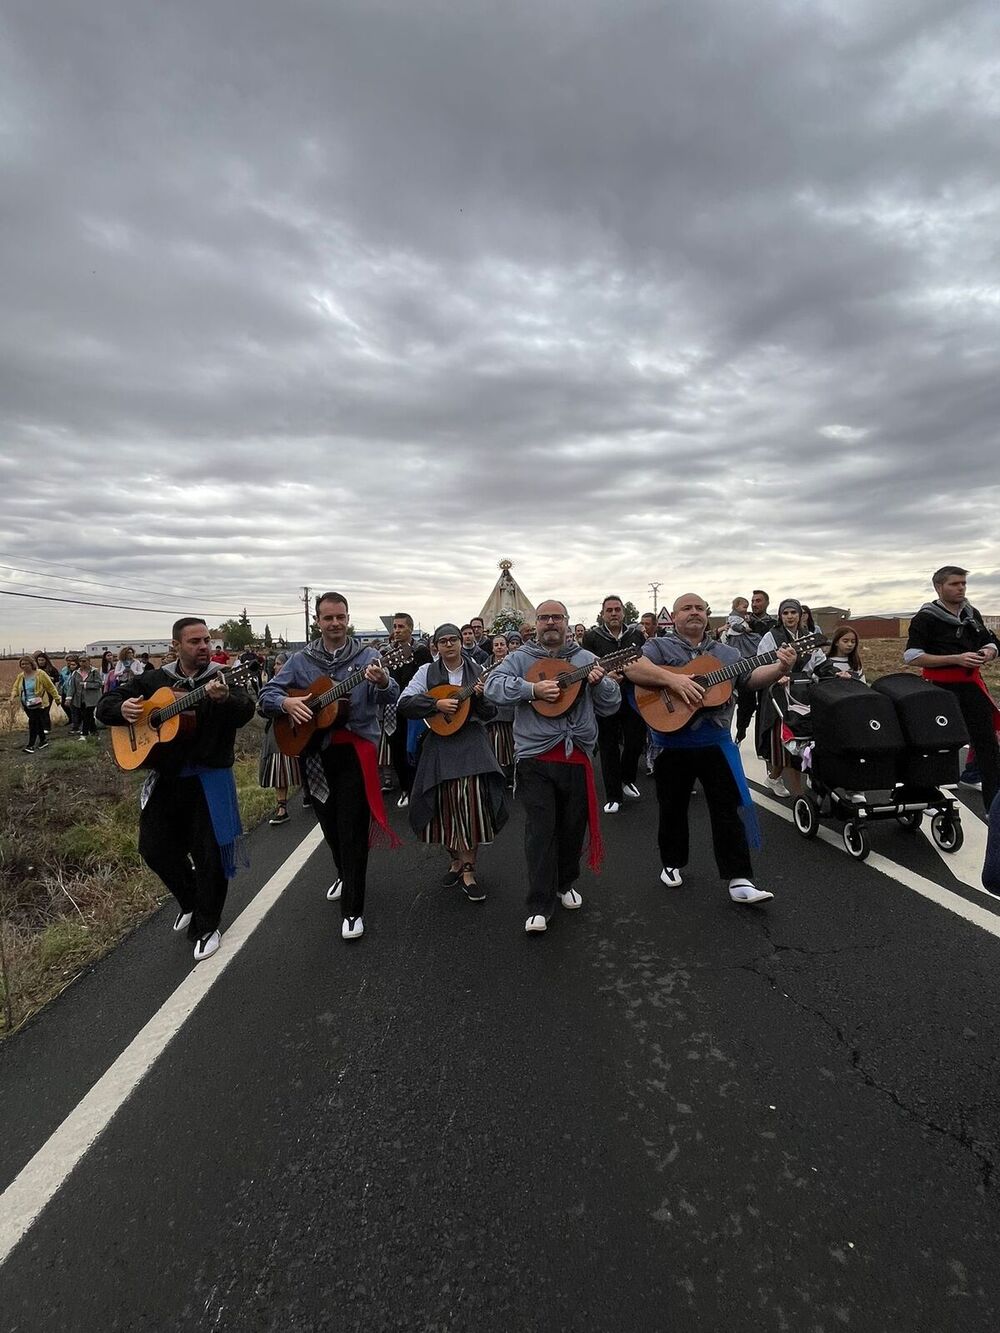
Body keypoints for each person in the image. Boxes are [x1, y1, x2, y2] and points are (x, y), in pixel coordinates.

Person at [96, 618, 255, 962]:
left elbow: (245, 710)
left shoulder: (221, 677)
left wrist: (225, 699)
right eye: (195, 641)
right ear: (176, 645)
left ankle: (207, 925)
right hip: (166, 779)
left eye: (207, 640)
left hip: (209, 777)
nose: (204, 647)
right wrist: (121, 709)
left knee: (209, 855)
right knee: (154, 848)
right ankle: (190, 899)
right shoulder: (155, 679)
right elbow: (105, 705)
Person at [625, 592, 798, 905]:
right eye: (686, 608)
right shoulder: (658, 647)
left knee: (726, 810)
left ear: (707, 615)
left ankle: (740, 878)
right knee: (672, 808)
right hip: (672, 743)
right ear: (674, 617)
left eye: (699, 608)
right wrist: (673, 681)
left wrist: (779, 668)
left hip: (714, 741)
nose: (694, 613)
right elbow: (634, 667)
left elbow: (750, 679)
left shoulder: (726, 652)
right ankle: (672, 863)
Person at [258, 590, 399, 941]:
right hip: (315, 753)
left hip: (354, 750)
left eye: (340, 617)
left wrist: (383, 682)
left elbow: (391, 694)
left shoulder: (369, 656)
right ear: (318, 621)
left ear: (348, 618)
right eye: (328, 618)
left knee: (352, 827)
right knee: (330, 824)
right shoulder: (300, 660)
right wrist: (287, 702)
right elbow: (266, 696)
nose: (335, 623)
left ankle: (353, 910)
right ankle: (344, 872)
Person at [485, 599, 620, 933]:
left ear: (566, 622)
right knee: (540, 830)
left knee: (573, 827)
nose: (549, 623)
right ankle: (539, 903)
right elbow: (491, 687)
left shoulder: (587, 660)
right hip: (535, 756)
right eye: (543, 617)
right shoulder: (519, 658)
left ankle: (566, 882)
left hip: (576, 755)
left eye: (556, 617)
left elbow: (611, 705)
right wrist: (531, 689)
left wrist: (599, 683)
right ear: (536, 624)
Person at [397, 624, 509, 900]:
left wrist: (480, 698)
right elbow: (404, 703)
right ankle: (455, 860)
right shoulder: (426, 673)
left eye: (453, 640)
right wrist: (435, 705)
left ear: (461, 642)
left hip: (472, 743)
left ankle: (469, 869)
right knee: (441, 805)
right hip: (439, 744)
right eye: (443, 641)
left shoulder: (479, 670)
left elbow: (490, 712)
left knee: (471, 805)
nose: (449, 645)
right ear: (436, 646)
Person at [904, 566, 1000, 815]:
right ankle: (923, 793)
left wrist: (988, 652)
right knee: (934, 744)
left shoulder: (971, 613)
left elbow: (989, 641)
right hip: (939, 689)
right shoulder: (925, 617)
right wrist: (956, 658)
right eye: (955, 584)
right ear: (939, 587)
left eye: (963, 584)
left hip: (971, 687)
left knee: (988, 745)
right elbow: (912, 656)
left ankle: (993, 807)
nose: (961, 588)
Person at [583, 595, 646, 813]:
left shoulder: (636, 634)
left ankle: (627, 778)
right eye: (609, 610)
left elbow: (644, 663)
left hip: (633, 694)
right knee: (608, 745)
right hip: (605, 698)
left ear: (623, 612)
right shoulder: (592, 637)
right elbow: (588, 664)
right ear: (602, 614)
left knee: (636, 741)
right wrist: (607, 676)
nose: (613, 613)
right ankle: (613, 795)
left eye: (617, 609)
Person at [755, 599, 821, 796]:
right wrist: (777, 672)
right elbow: (761, 665)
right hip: (779, 694)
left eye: (793, 612)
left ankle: (777, 777)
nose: (790, 616)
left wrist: (835, 673)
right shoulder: (770, 637)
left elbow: (820, 664)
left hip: (803, 694)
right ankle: (798, 793)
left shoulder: (809, 637)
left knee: (805, 738)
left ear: (801, 615)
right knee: (784, 741)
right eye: (786, 613)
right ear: (780, 616)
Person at [380, 612, 433, 808]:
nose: (397, 631)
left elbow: (428, 678)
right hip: (392, 708)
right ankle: (405, 789)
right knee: (396, 748)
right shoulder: (386, 653)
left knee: (415, 749)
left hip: (414, 707)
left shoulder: (420, 651)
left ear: (410, 628)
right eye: (394, 627)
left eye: (401, 627)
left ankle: (421, 789)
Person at [257, 652, 301, 824]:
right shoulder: (271, 686)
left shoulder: (298, 683)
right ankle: (281, 807)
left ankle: (308, 794)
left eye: (278, 663)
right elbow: (263, 706)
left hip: (297, 730)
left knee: (301, 762)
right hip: (276, 731)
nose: (275, 667)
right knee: (278, 768)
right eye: (274, 664)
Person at [11, 656, 59, 752]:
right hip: (27, 703)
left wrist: (57, 698)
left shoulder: (40, 674)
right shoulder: (21, 676)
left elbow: (50, 687)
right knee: (37, 722)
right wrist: (12, 696)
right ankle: (43, 741)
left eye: (26, 663)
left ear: (32, 664)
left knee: (32, 722)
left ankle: (30, 745)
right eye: (22, 664)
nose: (24, 666)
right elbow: (16, 687)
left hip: (39, 703)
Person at [486, 634, 515, 781]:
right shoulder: (485, 665)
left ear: (507, 646)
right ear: (492, 648)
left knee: (510, 744)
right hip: (493, 713)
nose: (499, 647)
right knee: (496, 745)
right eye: (496, 645)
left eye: (501, 644)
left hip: (510, 710)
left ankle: (512, 774)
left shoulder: (514, 662)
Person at [70, 655, 103, 739]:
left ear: (89, 661)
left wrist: (86, 684)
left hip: (92, 698)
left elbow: (99, 684)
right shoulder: (76, 673)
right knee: (88, 715)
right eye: (80, 661)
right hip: (80, 698)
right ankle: (94, 731)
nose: (82, 663)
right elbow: (72, 686)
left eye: (84, 661)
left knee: (87, 715)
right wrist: (69, 697)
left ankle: (84, 733)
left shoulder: (94, 672)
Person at [59, 655, 81, 732]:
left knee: (75, 708)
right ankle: (71, 719)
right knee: (64, 705)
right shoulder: (64, 670)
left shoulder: (78, 671)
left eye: (71, 661)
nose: (69, 662)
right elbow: (61, 679)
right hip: (65, 690)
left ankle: (77, 724)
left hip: (75, 692)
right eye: (68, 660)